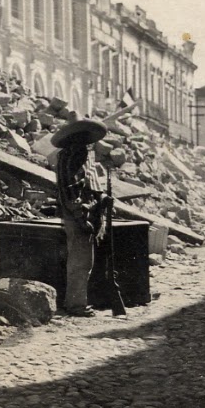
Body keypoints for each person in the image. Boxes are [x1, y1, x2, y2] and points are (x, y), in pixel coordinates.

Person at [51, 118, 125, 319]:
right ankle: (76, 305)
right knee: (80, 262)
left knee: (84, 262)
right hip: (79, 217)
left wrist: (101, 198)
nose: (87, 147)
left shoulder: (79, 160)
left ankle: (77, 302)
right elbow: (70, 195)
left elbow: (88, 188)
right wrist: (83, 216)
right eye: (84, 142)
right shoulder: (69, 160)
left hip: (85, 216)